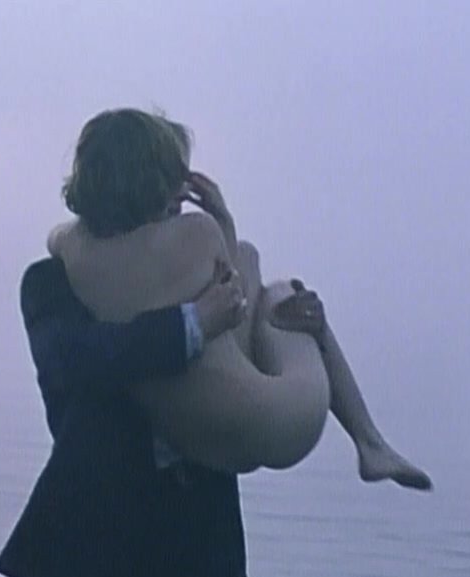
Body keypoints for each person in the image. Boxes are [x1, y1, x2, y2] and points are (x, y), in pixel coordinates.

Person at [48, 108, 432, 488]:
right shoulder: (196, 234)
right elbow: (235, 321)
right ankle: (369, 441)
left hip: (193, 438)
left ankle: (370, 442)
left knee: (255, 279)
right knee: (277, 289)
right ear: (156, 179)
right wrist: (224, 223)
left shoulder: (74, 252)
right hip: (271, 424)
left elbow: (62, 238)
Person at [0, 251, 324, 577]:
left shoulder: (197, 275)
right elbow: (74, 360)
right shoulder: (54, 281)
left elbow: (251, 374)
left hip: (208, 567)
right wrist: (193, 322)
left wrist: (293, 332)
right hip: (104, 566)